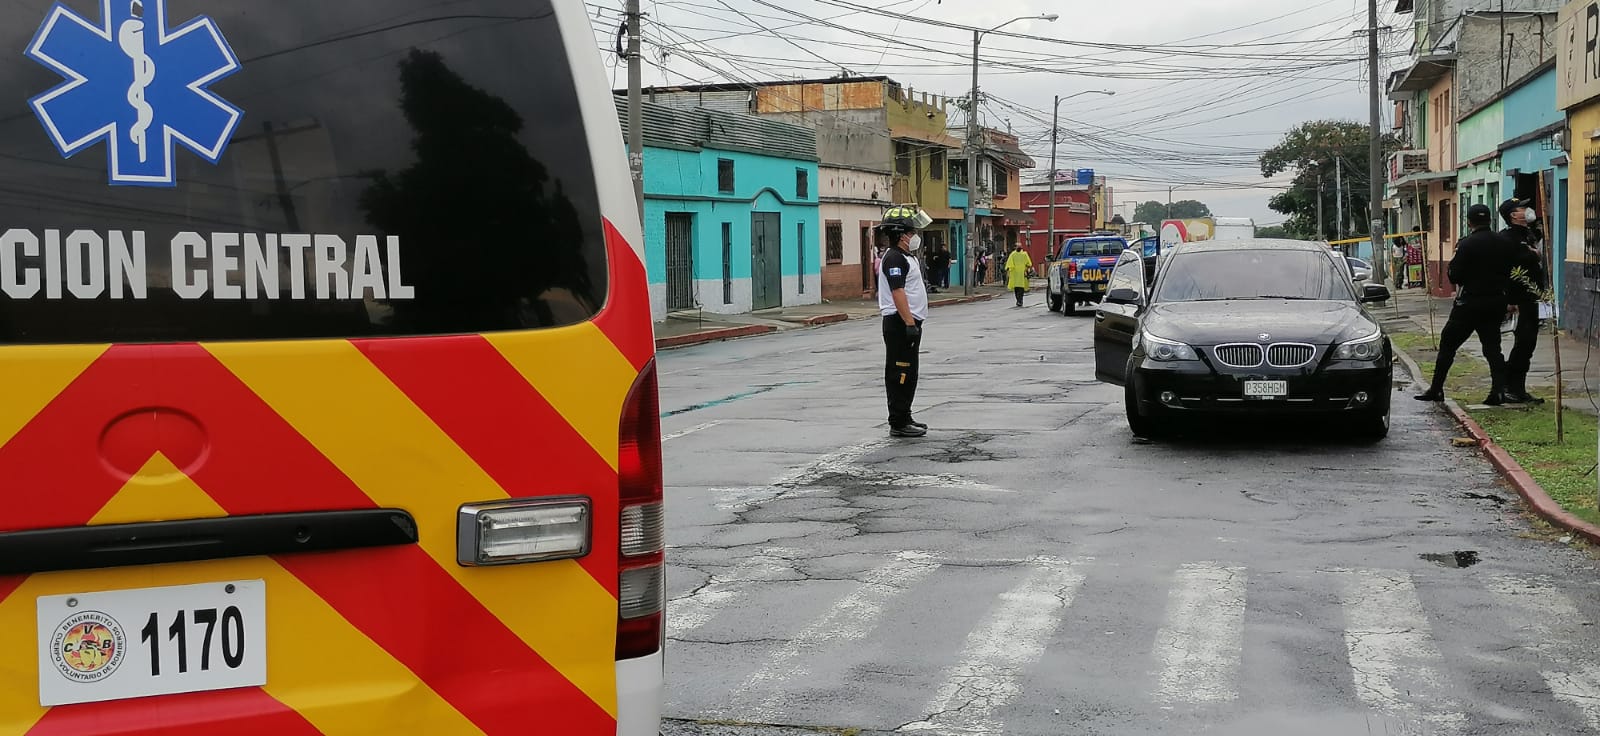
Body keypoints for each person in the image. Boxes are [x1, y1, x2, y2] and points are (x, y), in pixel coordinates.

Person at [1415, 203, 1517, 405]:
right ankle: (1498, 391)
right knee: (1492, 348)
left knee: (1448, 344)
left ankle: (1436, 388)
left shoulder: (1467, 244)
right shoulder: (1503, 242)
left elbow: (1455, 275)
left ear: (1469, 222)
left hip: (1470, 303)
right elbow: (1512, 272)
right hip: (1495, 301)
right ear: (1489, 219)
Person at [876, 205, 933, 438]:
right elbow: (898, 292)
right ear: (901, 235)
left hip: (908, 323)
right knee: (900, 373)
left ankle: (905, 416)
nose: (914, 237)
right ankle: (898, 422)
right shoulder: (895, 259)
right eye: (911, 233)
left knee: (909, 373)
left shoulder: (905, 257)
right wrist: (909, 323)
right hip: (900, 324)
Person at [1498, 198, 1548, 404]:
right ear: (1512, 215)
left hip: (1532, 298)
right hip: (1518, 300)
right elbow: (1508, 269)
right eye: (1522, 208)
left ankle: (1517, 387)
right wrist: (1508, 301)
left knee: (1528, 344)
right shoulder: (1507, 238)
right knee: (1524, 342)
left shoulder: (1527, 234)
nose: (1527, 211)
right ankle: (1511, 386)